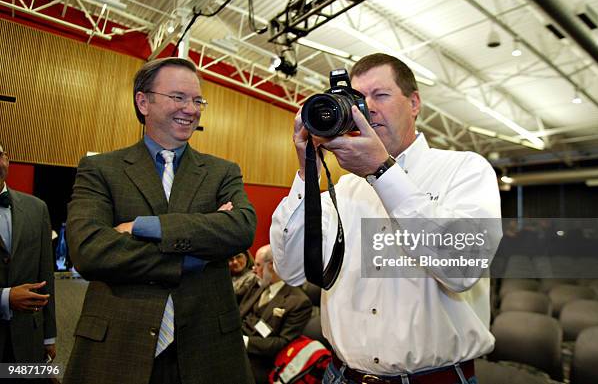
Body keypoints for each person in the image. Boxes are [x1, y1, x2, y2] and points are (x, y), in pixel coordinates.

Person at [270, 53, 501, 384]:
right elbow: (290, 270)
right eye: (358, 99)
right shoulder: (345, 189)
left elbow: (462, 267)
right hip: (340, 376)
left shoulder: (464, 169)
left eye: (380, 95)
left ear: (414, 103)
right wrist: (307, 171)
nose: (367, 108)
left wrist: (381, 171)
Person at [64, 57, 257, 384]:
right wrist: (193, 256)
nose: (191, 109)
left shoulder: (222, 171)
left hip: (208, 348)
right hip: (118, 346)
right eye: (178, 97)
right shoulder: (100, 170)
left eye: (197, 100)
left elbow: (241, 228)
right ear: (144, 102)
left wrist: (143, 227)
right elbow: (89, 251)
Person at [0, 142, 56, 373]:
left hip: (28, 337)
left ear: (6, 159)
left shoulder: (37, 208)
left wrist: (49, 337)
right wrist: (6, 297)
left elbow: (46, 275)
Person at [239, 244, 312, 384]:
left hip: (261, 360)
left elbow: (281, 343)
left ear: (271, 265)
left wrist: (245, 342)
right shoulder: (258, 285)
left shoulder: (298, 302)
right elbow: (240, 313)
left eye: (258, 265)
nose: (254, 269)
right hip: (239, 344)